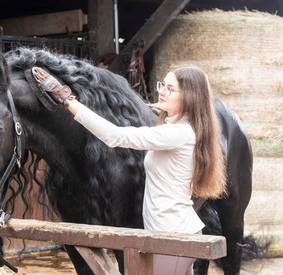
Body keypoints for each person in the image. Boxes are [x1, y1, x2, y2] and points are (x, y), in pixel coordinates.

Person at [32, 64, 227, 275]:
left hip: (173, 236)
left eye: (170, 89)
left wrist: (67, 100)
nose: (162, 91)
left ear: (190, 96)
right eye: (163, 85)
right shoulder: (181, 126)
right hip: (172, 232)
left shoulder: (179, 134)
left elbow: (116, 136)